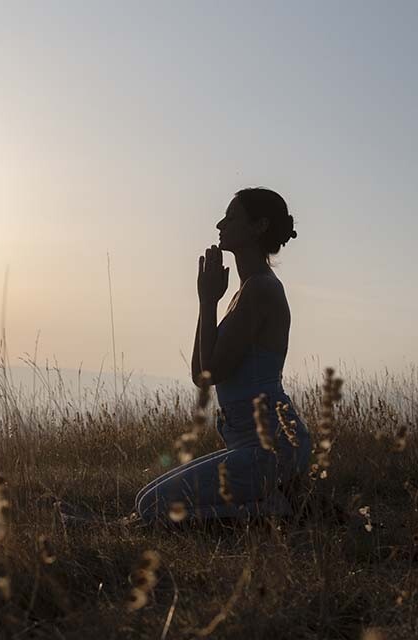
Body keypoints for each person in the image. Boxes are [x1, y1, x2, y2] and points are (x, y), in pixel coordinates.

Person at [134, 187, 311, 525]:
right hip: (252, 448)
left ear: (258, 227)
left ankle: (273, 510)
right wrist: (210, 299)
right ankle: (271, 504)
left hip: (270, 449)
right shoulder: (245, 291)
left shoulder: (260, 289)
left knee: (152, 507)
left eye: (231, 217)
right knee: (147, 500)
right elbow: (201, 374)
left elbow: (211, 373)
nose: (220, 223)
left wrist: (206, 301)